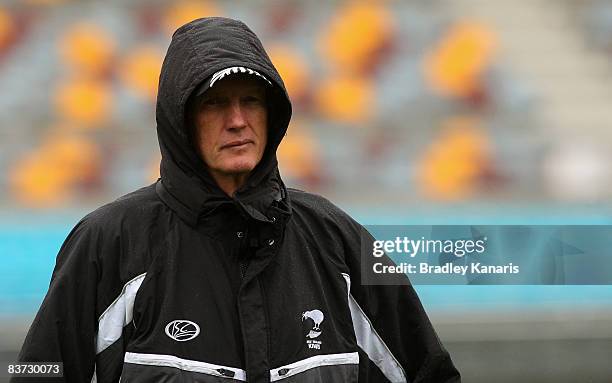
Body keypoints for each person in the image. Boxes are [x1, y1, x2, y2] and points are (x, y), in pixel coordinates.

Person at [13, 17, 460, 383]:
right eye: (214, 104)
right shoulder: (109, 241)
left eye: (252, 101)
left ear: (275, 113)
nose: (238, 121)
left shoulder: (337, 238)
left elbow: (430, 372)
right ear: (179, 120)